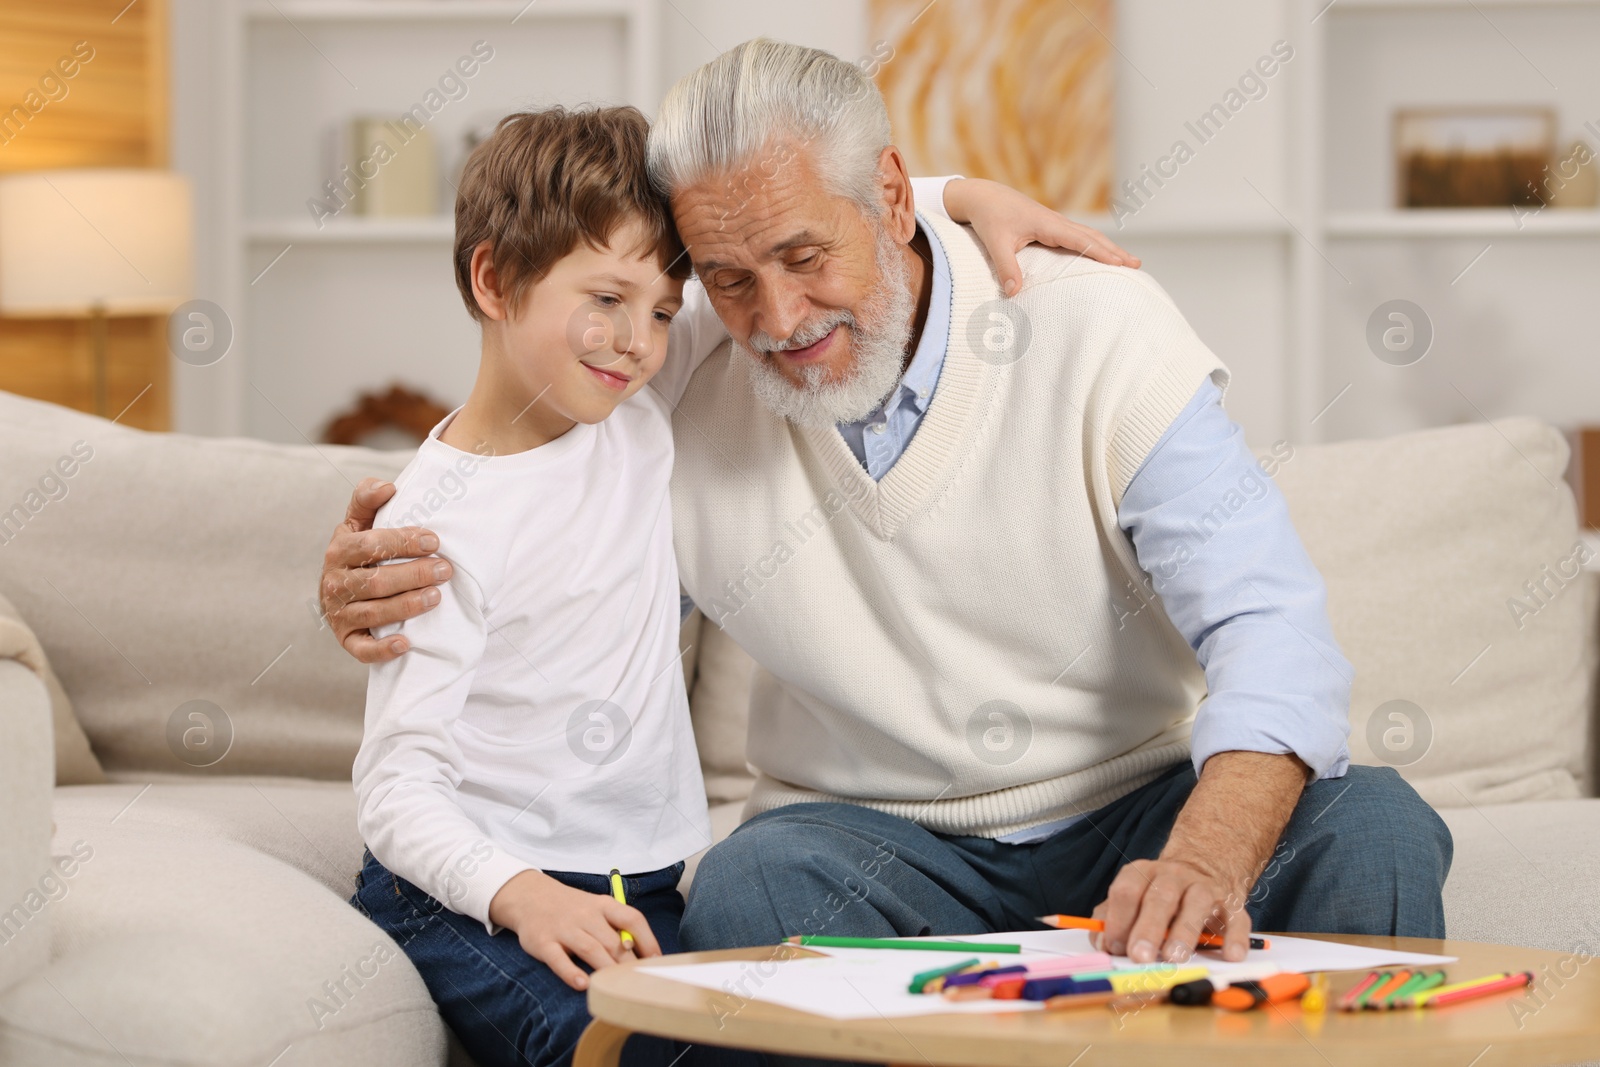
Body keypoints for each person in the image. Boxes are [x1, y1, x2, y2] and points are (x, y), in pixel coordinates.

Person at [328, 37, 1451, 985]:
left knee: (1374, 822)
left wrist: (1205, 853)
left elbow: (1273, 632)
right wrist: (372, 565)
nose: (775, 315)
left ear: (892, 198)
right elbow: (523, 422)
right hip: (869, 841)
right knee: (749, 889)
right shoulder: (676, 359)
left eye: (805, 256)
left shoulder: (1099, 328)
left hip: (1134, 800)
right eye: (723, 276)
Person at [345, 103, 1120, 1067]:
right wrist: (518, 892)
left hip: (641, 889)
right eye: (607, 299)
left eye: (663, 311)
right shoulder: (440, 523)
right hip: (477, 897)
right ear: (493, 279)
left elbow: (791, 235)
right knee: (645, 1050)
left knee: (805, 1037)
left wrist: (959, 196)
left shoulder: (632, 411)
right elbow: (393, 784)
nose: (637, 340)